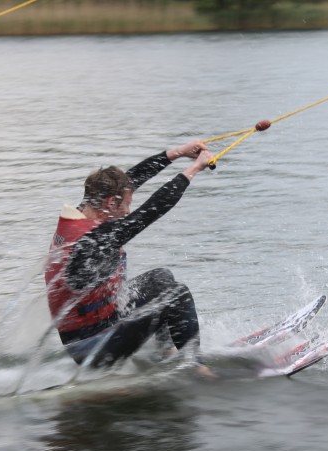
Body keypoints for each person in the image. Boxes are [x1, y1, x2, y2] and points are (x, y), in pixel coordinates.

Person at [45, 140, 214, 368]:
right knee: (177, 294)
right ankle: (196, 368)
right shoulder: (94, 239)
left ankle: (165, 352)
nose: (128, 211)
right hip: (92, 348)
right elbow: (152, 210)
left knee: (161, 278)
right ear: (110, 203)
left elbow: (132, 179)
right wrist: (193, 170)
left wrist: (177, 153)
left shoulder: (84, 211)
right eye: (126, 204)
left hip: (101, 325)